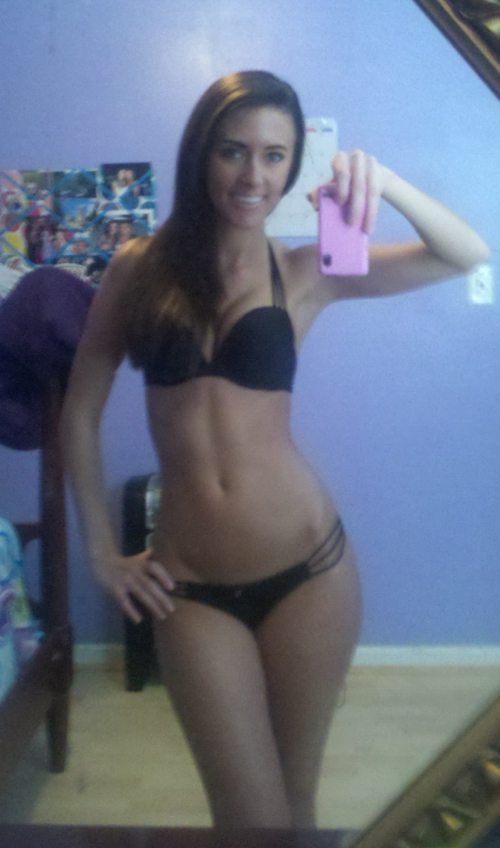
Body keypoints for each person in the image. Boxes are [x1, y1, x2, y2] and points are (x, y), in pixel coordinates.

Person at [61, 70, 489, 830]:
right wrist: (99, 550)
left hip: (311, 575)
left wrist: (383, 182)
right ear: (202, 153)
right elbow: (80, 410)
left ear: (293, 166)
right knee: (250, 821)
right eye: (233, 151)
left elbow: (465, 253)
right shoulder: (137, 269)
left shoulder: (309, 269)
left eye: (273, 155)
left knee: (294, 807)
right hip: (189, 588)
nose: (252, 176)